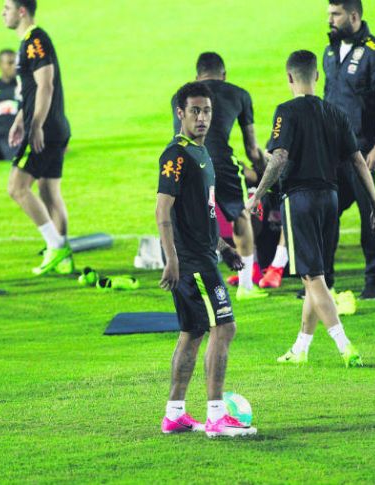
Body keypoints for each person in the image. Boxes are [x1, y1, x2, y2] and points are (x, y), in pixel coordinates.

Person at [245, 50, 375, 367]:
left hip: (301, 199)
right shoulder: (335, 112)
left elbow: (279, 157)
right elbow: (358, 161)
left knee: (312, 278)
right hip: (330, 200)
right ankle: (301, 348)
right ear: (317, 77)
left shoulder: (286, 111)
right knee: (316, 274)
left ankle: (345, 345)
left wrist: (256, 197)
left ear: (289, 77)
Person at [157, 82, 256, 437]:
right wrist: (172, 260)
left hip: (202, 255)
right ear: (180, 113)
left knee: (193, 331)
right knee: (224, 327)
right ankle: (216, 416)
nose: (202, 118)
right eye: (195, 111)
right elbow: (162, 210)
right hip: (191, 262)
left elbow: (202, 213)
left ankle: (175, 413)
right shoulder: (176, 154)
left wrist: (224, 247)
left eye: (207, 111)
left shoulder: (202, 153)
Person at [171, 52, 270, 300]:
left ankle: (196, 284)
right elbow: (251, 149)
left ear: (197, 77)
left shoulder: (180, 97)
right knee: (240, 217)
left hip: (185, 161)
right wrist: (262, 170)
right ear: (224, 75)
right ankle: (246, 287)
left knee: (191, 220)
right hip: (222, 164)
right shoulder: (239, 94)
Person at [322, 0, 375, 299]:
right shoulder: (330, 52)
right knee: (326, 213)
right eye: (329, 13)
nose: (329, 19)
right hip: (334, 154)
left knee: (372, 216)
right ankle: (323, 282)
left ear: (353, 16)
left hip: (364, 153)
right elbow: (329, 97)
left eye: (335, 14)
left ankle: (374, 282)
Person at [2, 0, 74, 275]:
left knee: (17, 188)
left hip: (46, 128)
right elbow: (31, 90)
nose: (2, 13)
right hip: (55, 126)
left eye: (6, 8)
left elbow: (46, 85)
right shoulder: (27, 42)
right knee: (49, 191)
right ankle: (64, 258)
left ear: (22, 11)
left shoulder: (35, 39)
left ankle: (56, 247)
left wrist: (35, 125)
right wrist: (21, 119)